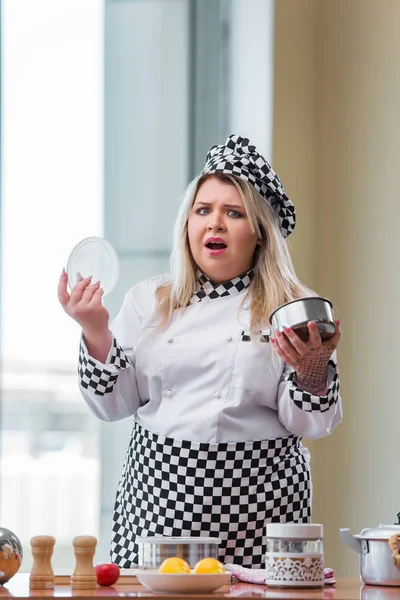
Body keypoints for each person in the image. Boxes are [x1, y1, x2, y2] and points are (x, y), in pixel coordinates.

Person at [58, 134, 342, 569]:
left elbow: (312, 424)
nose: (215, 224)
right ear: (187, 223)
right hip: (159, 505)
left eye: (234, 213)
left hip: (260, 511)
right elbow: (113, 405)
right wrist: (95, 329)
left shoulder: (293, 310)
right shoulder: (147, 299)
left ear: (261, 234)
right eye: (203, 210)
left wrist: (312, 369)